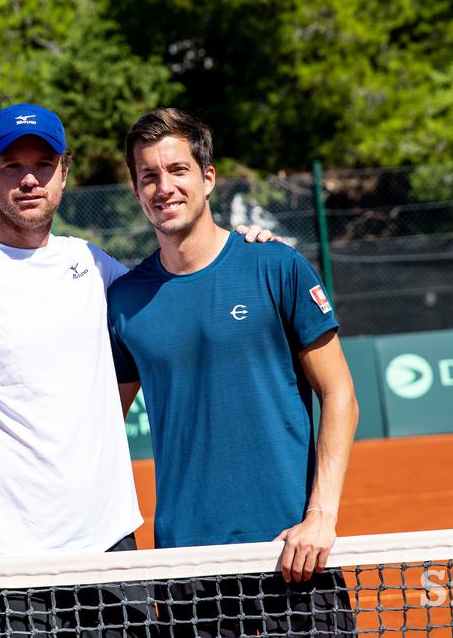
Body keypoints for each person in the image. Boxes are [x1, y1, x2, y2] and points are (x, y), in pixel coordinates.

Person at [0, 103, 272, 635]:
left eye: (43, 164)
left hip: (113, 551)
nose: (28, 179)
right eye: (10, 166)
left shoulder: (93, 266)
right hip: (9, 566)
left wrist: (244, 250)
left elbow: (178, 282)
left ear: (64, 172)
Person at [107, 108, 360, 636]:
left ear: (207, 177)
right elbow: (103, 421)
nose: (164, 187)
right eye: (148, 175)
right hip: (184, 572)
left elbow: (340, 396)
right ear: (135, 189)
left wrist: (322, 517)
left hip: (290, 557)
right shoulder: (125, 301)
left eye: (177, 170)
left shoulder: (275, 266)